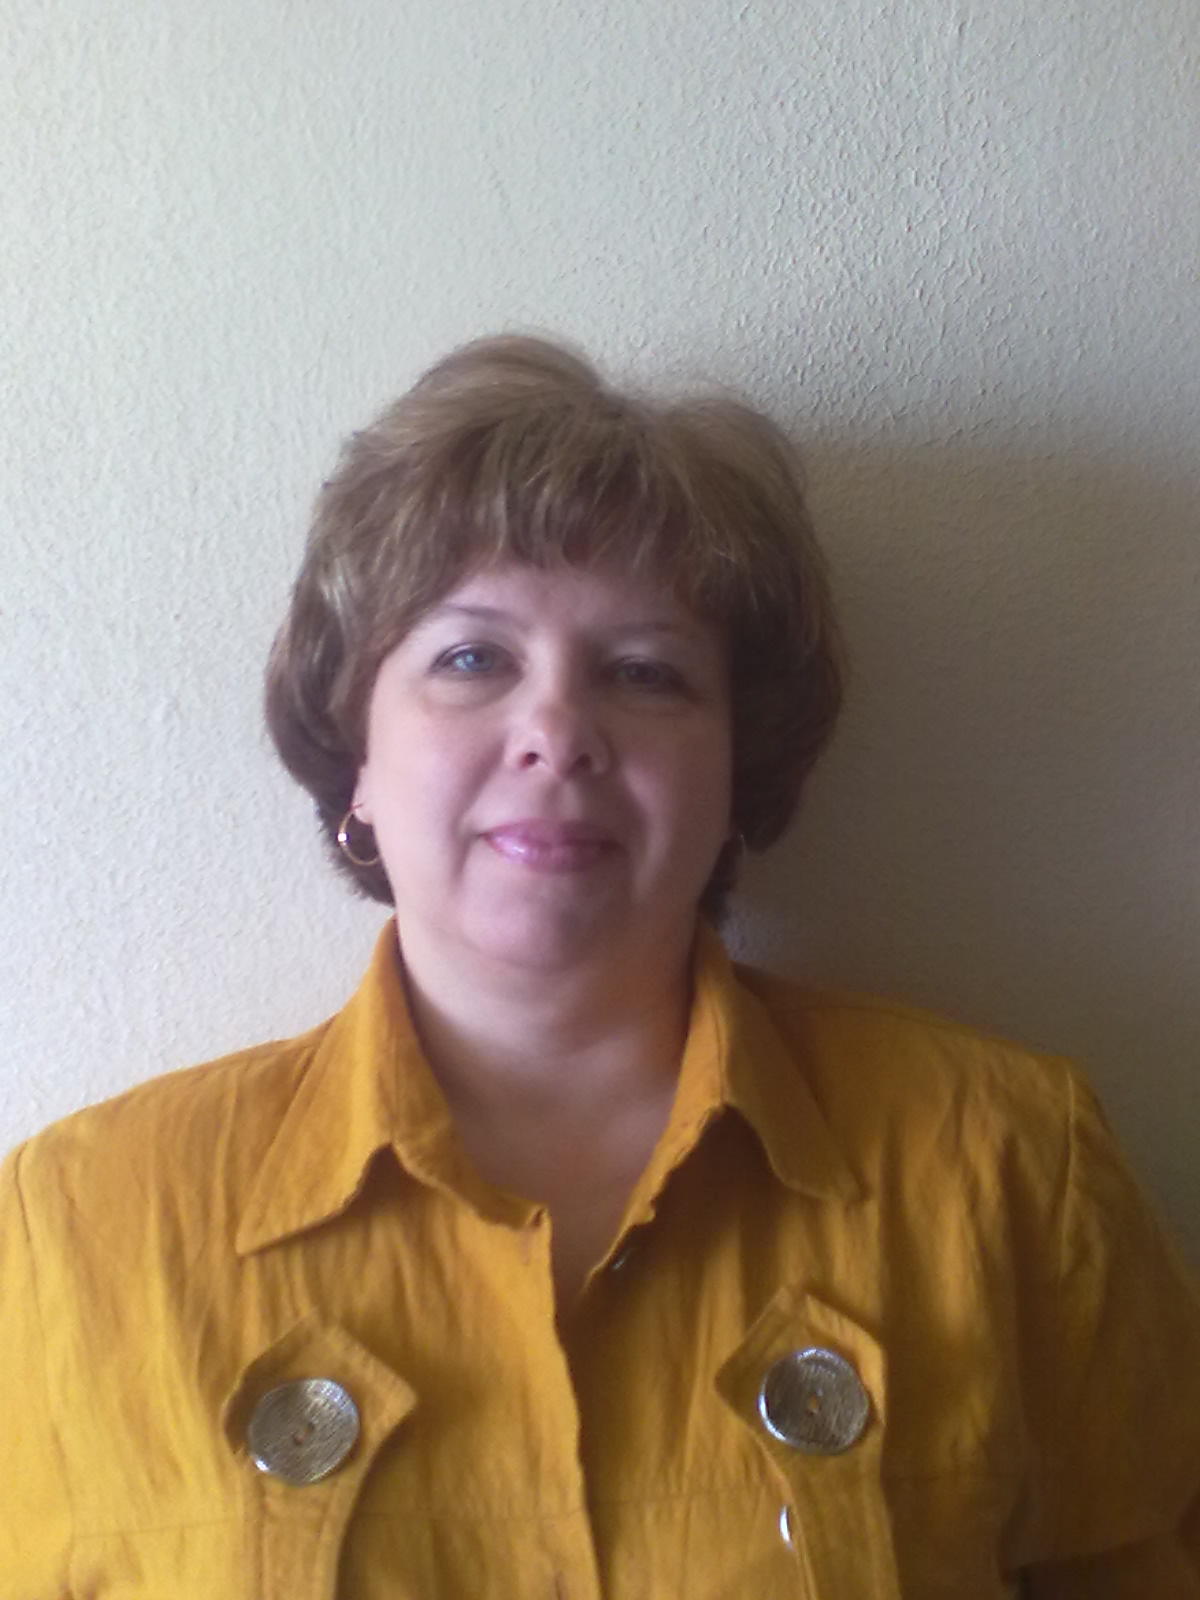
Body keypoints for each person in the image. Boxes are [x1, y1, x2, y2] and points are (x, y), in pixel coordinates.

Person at [1, 334, 1197, 1600]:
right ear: (356, 755)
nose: (558, 731)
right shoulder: (80, 1226)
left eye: (644, 672)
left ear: (738, 767)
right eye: (472, 658)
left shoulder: (1009, 1168)